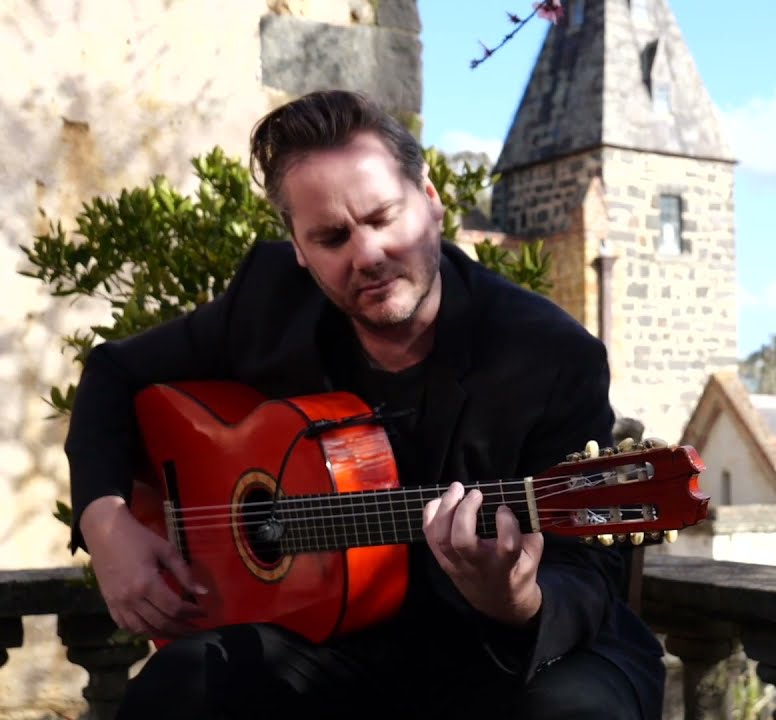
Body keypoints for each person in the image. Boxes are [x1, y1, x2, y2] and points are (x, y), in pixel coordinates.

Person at [65, 90, 666, 720]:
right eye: (331, 236)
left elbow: (589, 572)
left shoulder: (546, 353)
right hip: (336, 641)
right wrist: (106, 525)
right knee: (183, 686)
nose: (368, 254)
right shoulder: (271, 300)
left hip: (509, 651)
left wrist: (516, 598)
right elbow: (113, 372)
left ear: (430, 202)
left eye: (383, 218)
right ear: (298, 248)